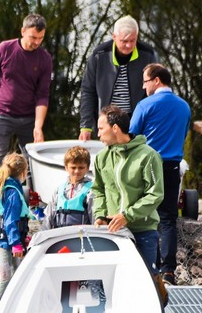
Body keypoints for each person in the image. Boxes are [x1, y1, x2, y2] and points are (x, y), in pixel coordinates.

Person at [90, 105, 164, 298]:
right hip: (113, 232)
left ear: (115, 128)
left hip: (143, 232)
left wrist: (127, 216)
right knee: (112, 284)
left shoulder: (148, 156)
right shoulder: (101, 158)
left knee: (146, 285)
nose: (98, 134)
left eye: (100, 128)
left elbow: (156, 194)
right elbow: (97, 190)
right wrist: (99, 215)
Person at [129, 64, 191, 285]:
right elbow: (183, 133)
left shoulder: (145, 105)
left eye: (145, 81)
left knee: (146, 217)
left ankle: (150, 266)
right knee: (168, 219)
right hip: (173, 166)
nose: (143, 86)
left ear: (156, 81)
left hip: (149, 166)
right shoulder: (184, 106)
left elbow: (133, 136)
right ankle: (168, 270)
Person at [0, 13, 52, 183]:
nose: (37, 42)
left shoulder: (45, 59)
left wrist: (38, 126)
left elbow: (43, 94)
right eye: (33, 37)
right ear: (23, 31)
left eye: (41, 38)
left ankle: (35, 205)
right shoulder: (5, 49)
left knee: (33, 162)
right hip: (2, 114)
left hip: (29, 118)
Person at [79, 15, 156, 140]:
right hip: (106, 119)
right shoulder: (99, 55)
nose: (129, 45)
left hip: (136, 120)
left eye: (133, 40)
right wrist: (86, 125)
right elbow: (88, 90)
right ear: (114, 37)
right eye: (124, 41)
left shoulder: (147, 55)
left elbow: (154, 92)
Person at [0, 153, 30, 308]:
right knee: (5, 276)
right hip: (3, 241)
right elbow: (9, 221)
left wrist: (22, 238)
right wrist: (16, 243)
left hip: (5, 238)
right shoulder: (12, 192)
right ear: (24, 173)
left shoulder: (6, 186)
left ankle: (14, 308)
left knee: (17, 274)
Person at [42, 146, 95, 230]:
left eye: (81, 167)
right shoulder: (59, 190)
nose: (77, 171)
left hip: (81, 237)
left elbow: (94, 217)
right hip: (60, 236)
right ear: (66, 167)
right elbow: (48, 216)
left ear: (87, 168)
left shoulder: (91, 190)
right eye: (73, 167)